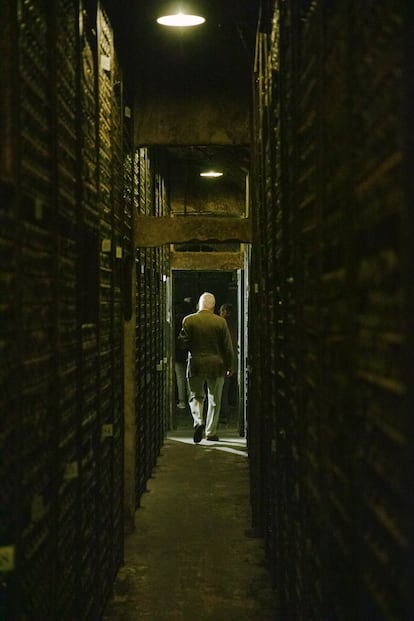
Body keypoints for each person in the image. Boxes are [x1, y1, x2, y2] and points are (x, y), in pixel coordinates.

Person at [178, 292, 234, 443]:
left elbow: (182, 343)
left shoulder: (188, 321)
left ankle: (198, 422)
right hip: (216, 364)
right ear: (213, 306)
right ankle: (210, 431)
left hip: (195, 363)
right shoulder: (220, 322)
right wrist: (230, 365)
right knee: (215, 399)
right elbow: (227, 347)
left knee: (196, 396)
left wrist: (193, 349)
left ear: (199, 305)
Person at [174, 297, 193, 409]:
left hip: (178, 352)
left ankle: (182, 402)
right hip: (190, 351)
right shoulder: (191, 319)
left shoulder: (175, 319)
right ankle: (191, 399)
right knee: (189, 377)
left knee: (180, 377)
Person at [219, 303, 237, 421]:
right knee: (225, 388)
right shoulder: (234, 325)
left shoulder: (221, 325)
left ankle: (224, 414)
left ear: (225, 311)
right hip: (228, 361)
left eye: (221, 311)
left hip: (222, 361)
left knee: (221, 390)